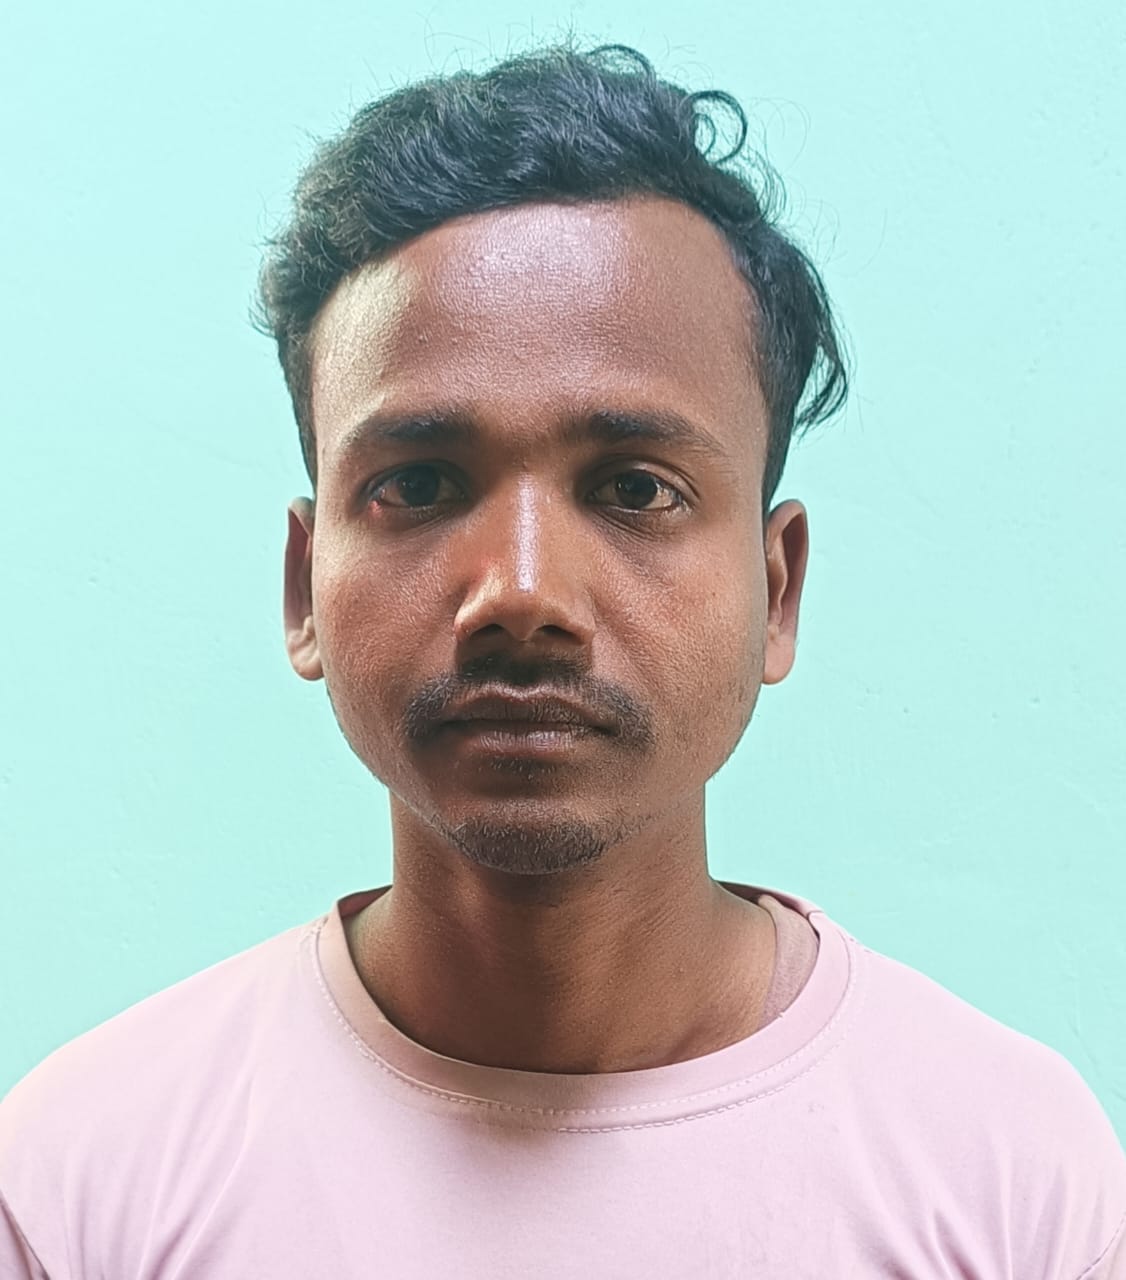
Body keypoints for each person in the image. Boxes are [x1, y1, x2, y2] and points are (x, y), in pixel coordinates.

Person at [1, 37, 1123, 1279]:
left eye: (635, 487)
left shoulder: (1017, 1180)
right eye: (418, 484)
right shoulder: (79, 1184)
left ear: (775, 588)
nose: (523, 591)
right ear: (302, 585)